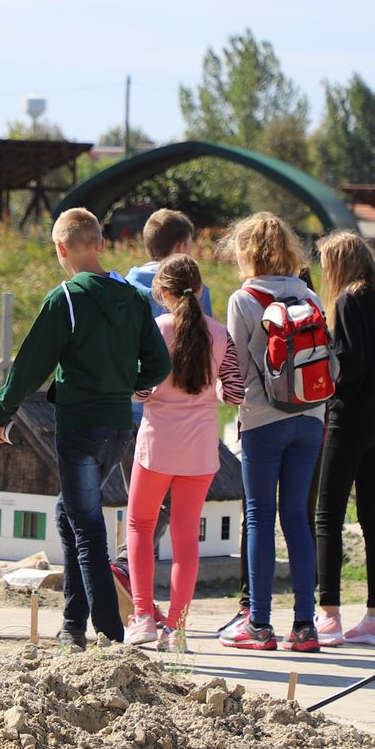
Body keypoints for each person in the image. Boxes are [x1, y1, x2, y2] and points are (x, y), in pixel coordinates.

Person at [0, 208, 171, 649]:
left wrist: (0, 413)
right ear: (101, 244)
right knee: (68, 515)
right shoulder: (133, 297)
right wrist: (133, 385)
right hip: (118, 428)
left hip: (79, 428)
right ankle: (71, 623)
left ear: (60, 248)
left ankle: (107, 634)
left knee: (86, 528)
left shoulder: (65, 300)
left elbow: (29, 367)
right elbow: (159, 363)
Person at [123, 254, 240, 648]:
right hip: (201, 451)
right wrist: (211, 391)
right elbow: (235, 392)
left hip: (157, 446)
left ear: (162, 293)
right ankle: (177, 629)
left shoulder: (156, 331)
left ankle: (143, 617)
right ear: (201, 289)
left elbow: (139, 390)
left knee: (140, 526)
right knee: (186, 537)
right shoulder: (221, 335)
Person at [221, 212, 325, 652]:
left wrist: (231, 401)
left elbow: (235, 369)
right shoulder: (310, 297)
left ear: (246, 252)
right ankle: (305, 626)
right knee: (297, 517)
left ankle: (259, 624)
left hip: (263, 419)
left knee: (260, 516)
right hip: (311, 416)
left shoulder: (244, 300)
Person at [312, 231, 375, 647]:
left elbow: (350, 365)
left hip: (350, 417)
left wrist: (326, 357)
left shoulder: (347, 301)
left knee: (328, 515)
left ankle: (329, 615)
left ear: (338, 264)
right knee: (373, 515)